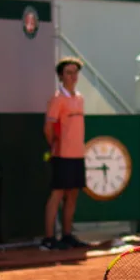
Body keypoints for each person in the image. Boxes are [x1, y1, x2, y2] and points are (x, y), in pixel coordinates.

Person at [43, 57, 87, 251]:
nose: (73, 76)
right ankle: (49, 238)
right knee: (57, 195)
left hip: (78, 154)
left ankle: (67, 235)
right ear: (61, 76)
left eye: (75, 72)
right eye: (68, 73)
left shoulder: (79, 98)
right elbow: (48, 127)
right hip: (62, 154)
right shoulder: (57, 99)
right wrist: (55, 145)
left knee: (73, 195)